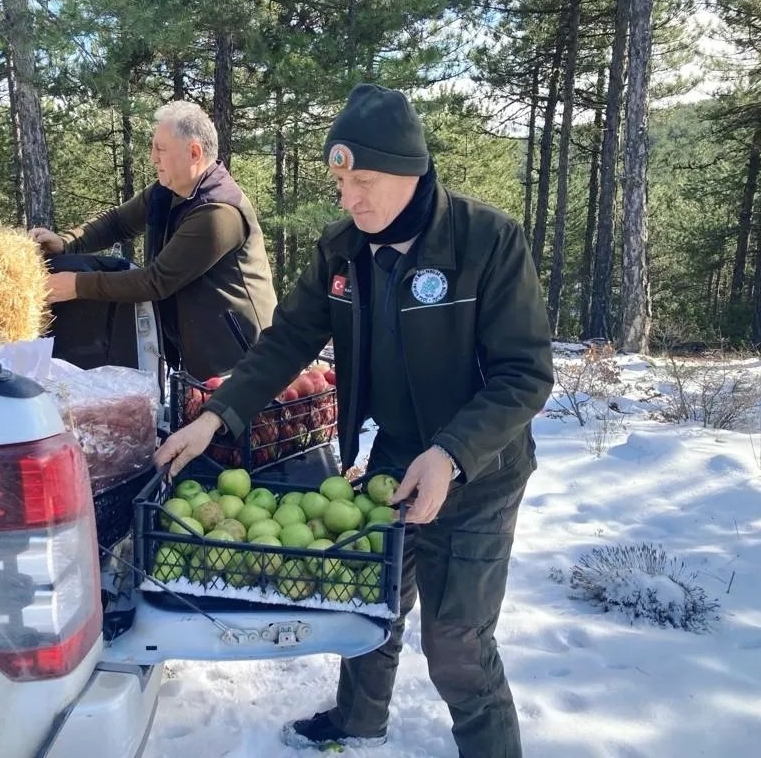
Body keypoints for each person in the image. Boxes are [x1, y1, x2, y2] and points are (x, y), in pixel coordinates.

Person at [154, 84, 554, 757]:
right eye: (341, 179)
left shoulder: (485, 242)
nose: (349, 197)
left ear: (413, 171)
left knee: (457, 641)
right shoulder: (343, 250)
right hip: (398, 454)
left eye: (364, 180)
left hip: (480, 468)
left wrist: (452, 455)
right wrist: (218, 416)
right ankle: (359, 721)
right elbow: (286, 341)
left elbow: (526, 374)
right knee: (370, 600)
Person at [30, 101, 277, 380]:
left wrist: (76, 285)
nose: (152, 158)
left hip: (237, 361)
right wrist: (66, 243)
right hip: (201, 357)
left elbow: (156, 281)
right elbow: (118, 222)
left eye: (160, 149)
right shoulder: (168, 190)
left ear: (194, 152)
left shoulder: (217, 213)